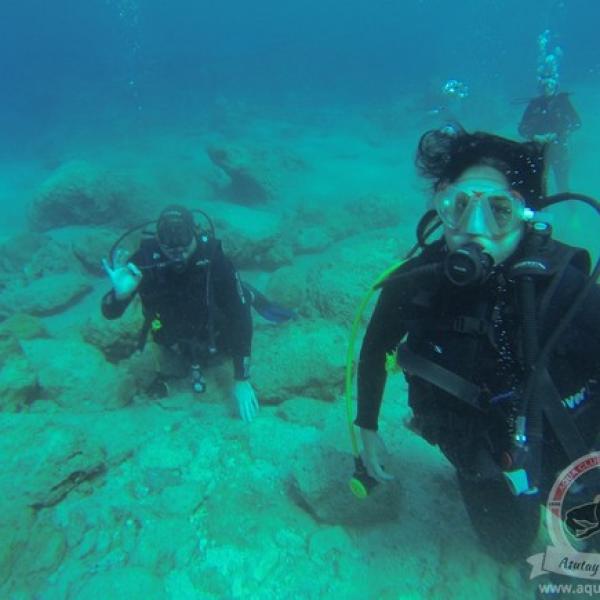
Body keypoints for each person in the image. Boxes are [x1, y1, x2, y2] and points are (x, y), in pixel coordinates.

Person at [354, 126, 600, 562]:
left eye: (498, 211)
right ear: (441, 205)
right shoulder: (413, 284)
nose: (473, 228)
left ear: (524, 216)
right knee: (505, 549)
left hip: (570, 450)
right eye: (460, 206)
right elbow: (374, 349)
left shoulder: (566, 290)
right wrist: (366, 426)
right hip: (476, 453)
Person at [101, 204, 290, 422]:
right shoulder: (143, 261)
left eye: (184, 245)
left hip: (213, 326)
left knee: (232, 320)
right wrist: (119, 296)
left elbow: (240, 316)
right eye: (169, 248)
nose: (177, 255)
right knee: (167, 342)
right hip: (170, 330)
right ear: (158, 241)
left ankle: (246, 292)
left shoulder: (213, 259)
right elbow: (109, 313)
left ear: (196, 234)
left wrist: (241, 379)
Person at [518, 30, 581, 192]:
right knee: (539, 185)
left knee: (563, 185)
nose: (549, 88)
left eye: (551, 85)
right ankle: (543, 207)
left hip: (560, 150)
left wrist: (558, 134)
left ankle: (569, 206)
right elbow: (522, 128)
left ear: (556, 85)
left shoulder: (563, 102)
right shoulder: (534, 105)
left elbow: (576, 123)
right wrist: (535, 137)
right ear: (541, 87)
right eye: (545, 85)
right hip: (540, 151)